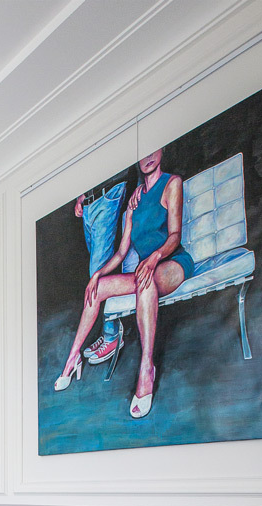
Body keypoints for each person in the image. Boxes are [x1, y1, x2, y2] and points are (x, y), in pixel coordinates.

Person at [54, 148, 194, 418]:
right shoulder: (134, 202)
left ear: (163, 151)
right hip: (145, 272)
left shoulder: (172, 183)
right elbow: (120, 253)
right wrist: (97, 275)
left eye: (154, 150)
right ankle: (72, 359)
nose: (148, 157)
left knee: (145, 281)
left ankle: (146, 368)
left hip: (173, 263)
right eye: (143, 153)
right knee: (98, 288)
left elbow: (175, 235)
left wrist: (154, 258)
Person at [73, 165, 137, 366]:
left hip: (108, 191)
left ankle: (112, 336)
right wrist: (81, 195)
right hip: (90, 201)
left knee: (98, 274)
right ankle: (109, 331)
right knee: (96, 269)